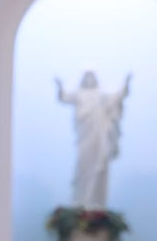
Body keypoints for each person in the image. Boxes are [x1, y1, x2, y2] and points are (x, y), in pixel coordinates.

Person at [55, 70, 131, 209]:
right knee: (83, 165)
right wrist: (59, 87)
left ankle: (95, 201)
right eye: (87, 77)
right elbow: (64, 97)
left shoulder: (100, 95)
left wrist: (126, 84)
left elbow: (117, 97)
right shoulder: (79, 94)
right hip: (84, 136)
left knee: (98, 165)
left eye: (92, 77)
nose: (89, 79)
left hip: (97, 135)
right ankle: (81, 200)